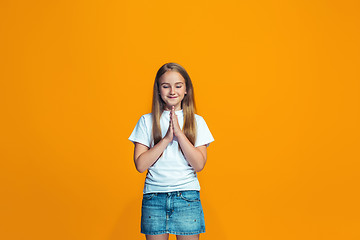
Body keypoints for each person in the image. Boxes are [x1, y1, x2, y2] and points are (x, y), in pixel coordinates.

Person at [128, 62, 214, 240]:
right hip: (154, 197)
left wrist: (180, 134)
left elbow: (199, 164)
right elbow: (140, 164)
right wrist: (167, 139)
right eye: (166, 86)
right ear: (158, 90)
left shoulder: (198, 122)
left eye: (178, 86)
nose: (172, 91)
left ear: (186, 90)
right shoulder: (146, 121)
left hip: (187, 197)